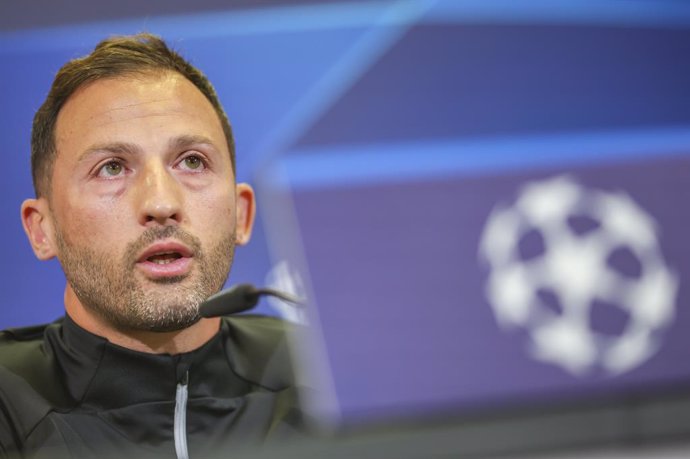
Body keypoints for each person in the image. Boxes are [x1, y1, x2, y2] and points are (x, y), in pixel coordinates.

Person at [0, 34, 304, 459]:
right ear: (41, 229)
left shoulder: (328, 379)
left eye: (192, 161)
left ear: (242, 213)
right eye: (111, 168)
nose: (161, 204)